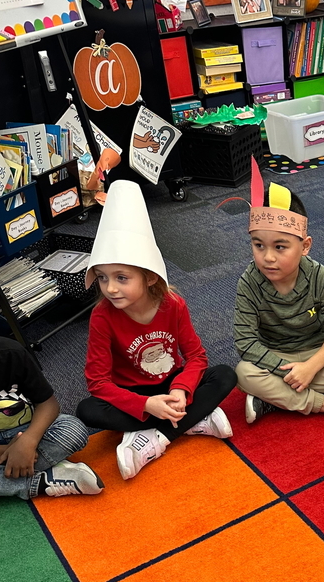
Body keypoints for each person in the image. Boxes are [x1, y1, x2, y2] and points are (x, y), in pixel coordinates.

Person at [77, 181, 237, 480]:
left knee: (226, 374)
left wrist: (180, 390)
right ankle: (191, 420)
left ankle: (155, 436)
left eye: (122, 278)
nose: (110, 288)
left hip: (171, 385)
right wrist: (146, 403)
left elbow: (197, 358)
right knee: (87, 410)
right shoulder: (102, 316)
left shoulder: (173, 304)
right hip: (134, 395)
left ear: (150, 277)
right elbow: (97, 383)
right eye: (102, 278)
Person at [235, 160, 324, 423]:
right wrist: (288, 371)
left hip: (315, 354)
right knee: (243, 373)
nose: (267, 258)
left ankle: (275, 400)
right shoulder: (249, 281)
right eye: (258, 245)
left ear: (305, 246)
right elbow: (245, 343)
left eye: (280, 247)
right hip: (275, 358)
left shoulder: (318, 274)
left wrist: (310, 368)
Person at [0, 328, 103, 501]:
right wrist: (11, 452)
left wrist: (28, 442)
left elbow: (48, 403)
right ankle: (38, 482)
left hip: (29, 430)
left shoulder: (11, 351)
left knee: (73, 429)